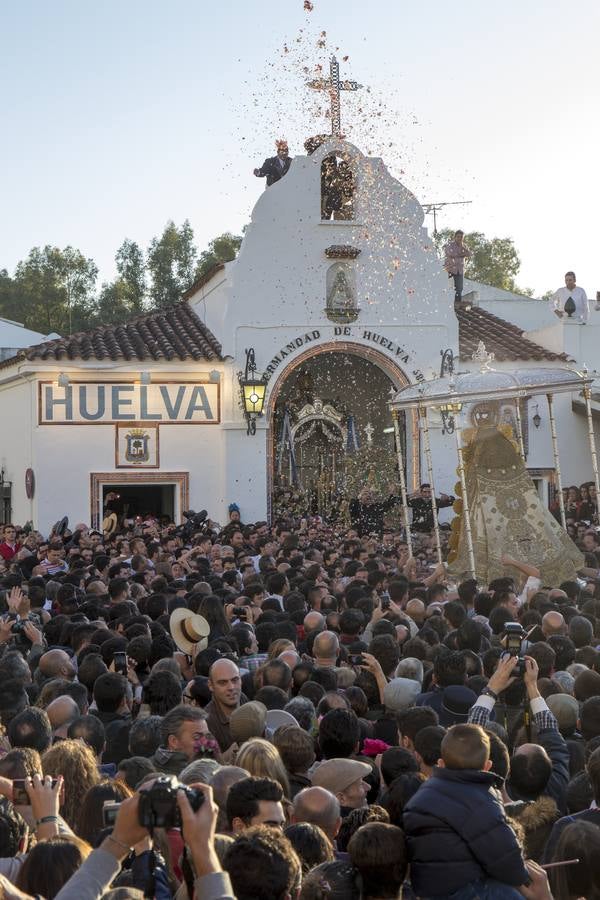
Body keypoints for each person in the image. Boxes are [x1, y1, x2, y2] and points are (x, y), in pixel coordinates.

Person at [403, 723, 530, 899]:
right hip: (467, 891)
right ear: (487, 766)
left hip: (427, 891)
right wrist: (524, 876)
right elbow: (507, 859)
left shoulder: (420, 796)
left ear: (441, 762)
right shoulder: (481, 800)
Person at [444, 230, 471, 302]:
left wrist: (462, 248)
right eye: (458, 237)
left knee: (459, 288)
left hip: (460, 270)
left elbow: (469, 254)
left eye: (461, 237)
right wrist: (462, 255)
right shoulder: (450, 245)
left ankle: (457, 304)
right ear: (455, 237)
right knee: (450, 288)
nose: (460, 238)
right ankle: (449, 303)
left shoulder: (464, 246)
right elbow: (451, 254)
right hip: (450, 270)